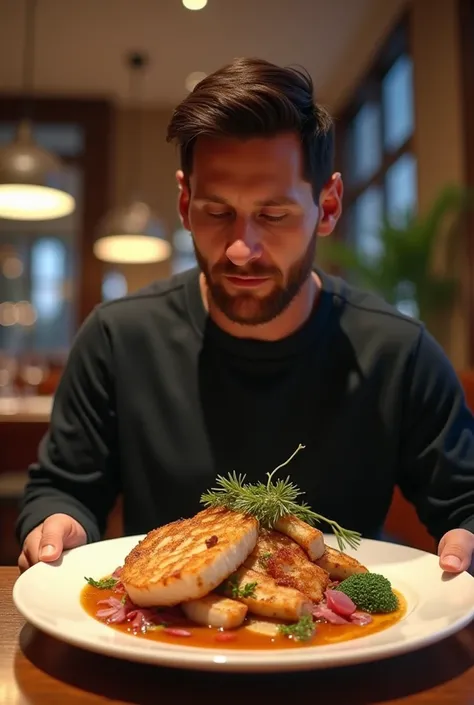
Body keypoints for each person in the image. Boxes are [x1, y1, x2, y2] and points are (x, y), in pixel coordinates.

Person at [17, 57, 474, 575]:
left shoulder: (398, 351)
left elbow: (466, 500)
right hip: (154, 635)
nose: (240, 249)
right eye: (217, 212)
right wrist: (57, 521)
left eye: (273, 215)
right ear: (186, 202)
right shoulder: (117, 337)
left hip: (348, 636)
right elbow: (63, 489)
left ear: (327, 207)